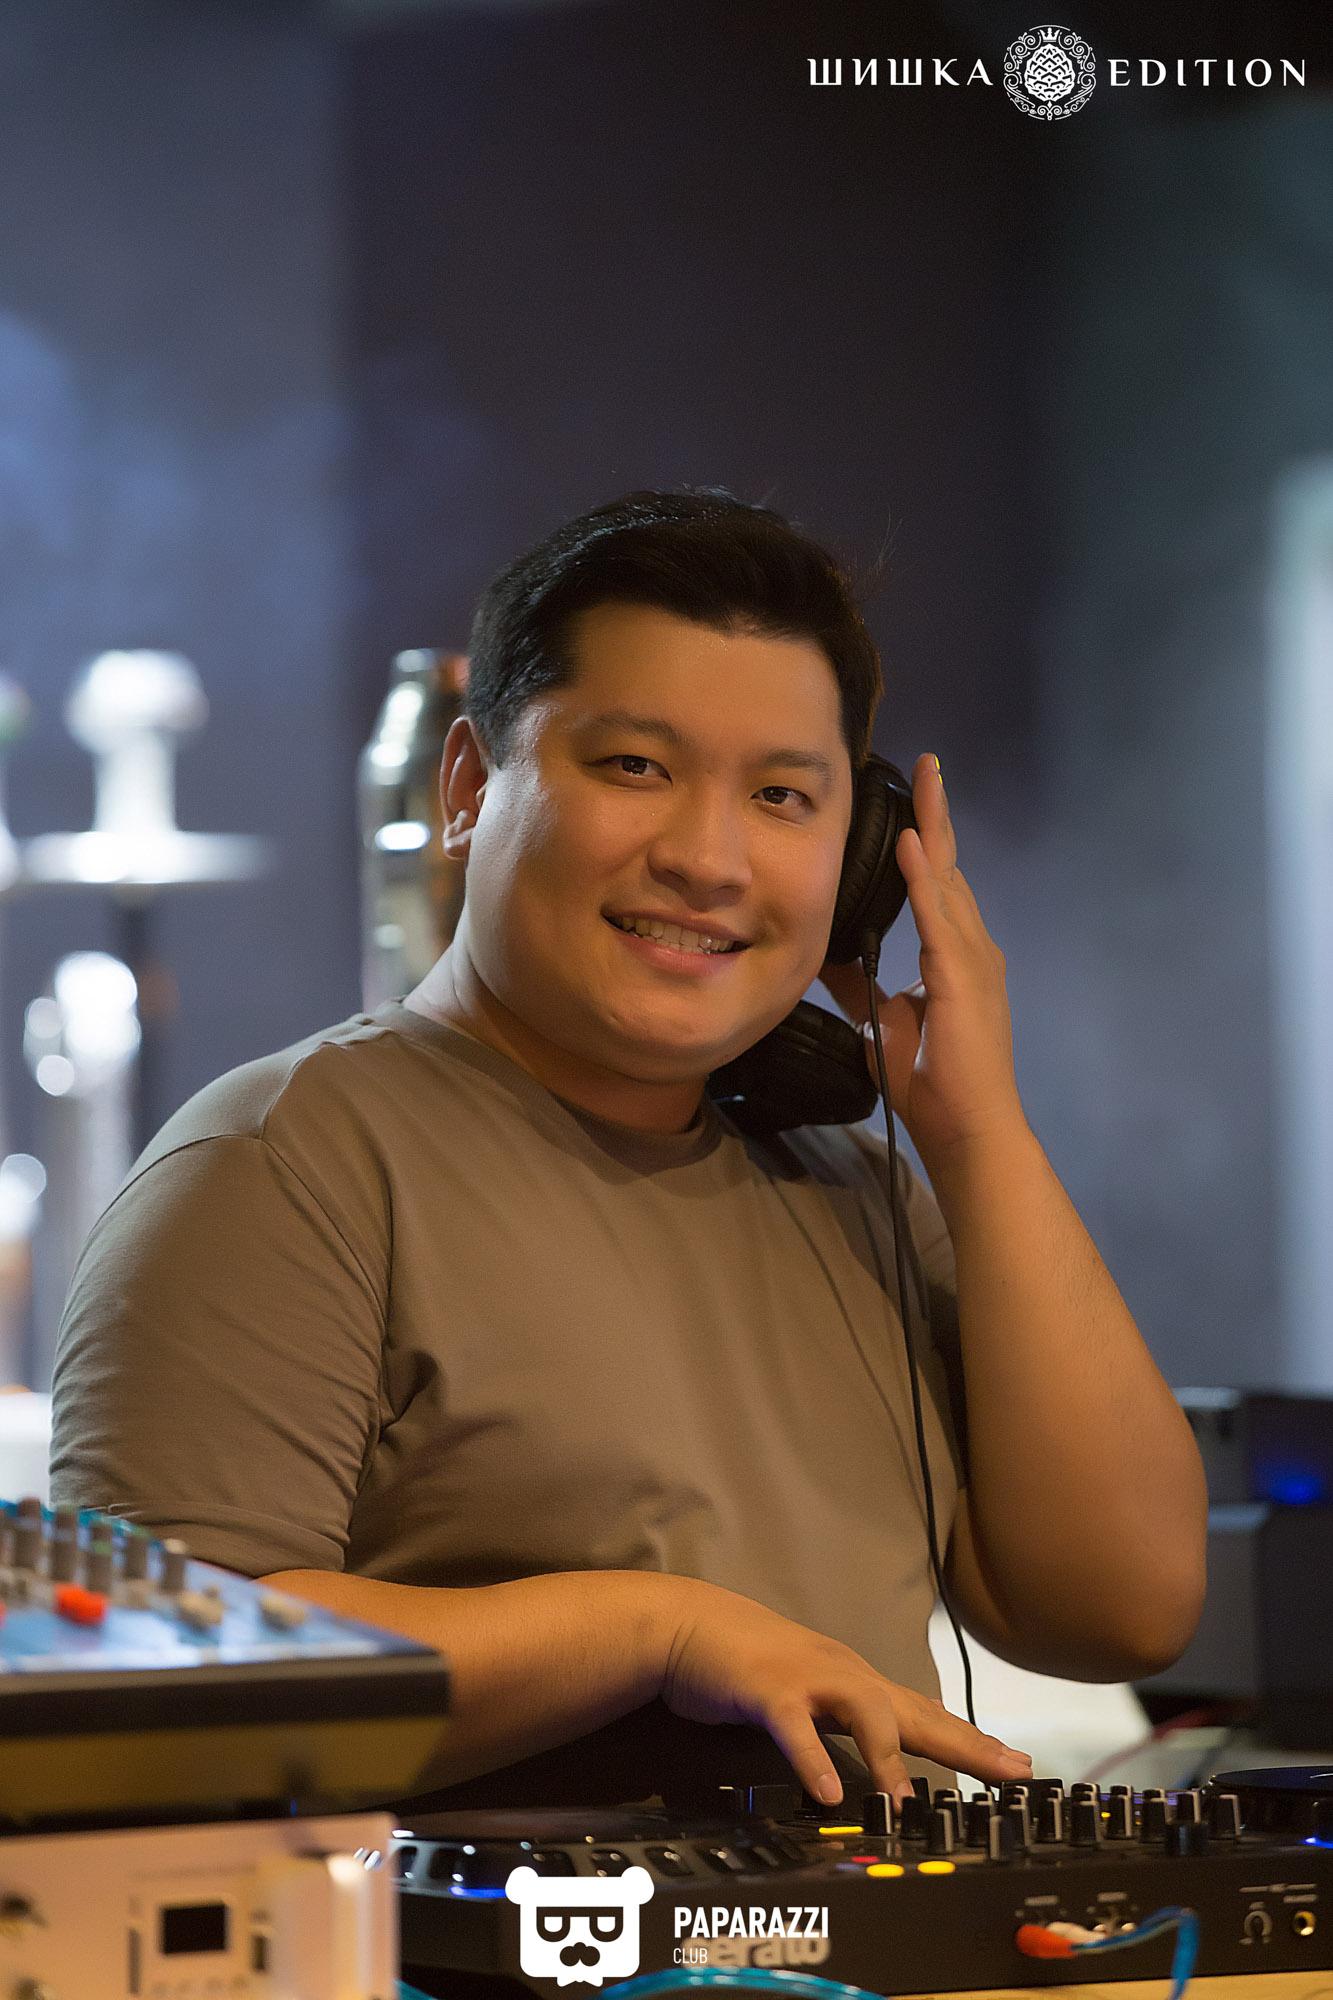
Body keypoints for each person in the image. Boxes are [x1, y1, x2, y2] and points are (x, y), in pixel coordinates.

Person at [51, 489, 1207, 1809]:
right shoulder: (278, 1168)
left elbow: (1126, 1609)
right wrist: (654, 1633)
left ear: (860, 871)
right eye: (634, 769)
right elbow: (162, 1682)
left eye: (782, 796)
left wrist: (978, 1133)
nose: (708, 860)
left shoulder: (862, 1193)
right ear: (470, 788)